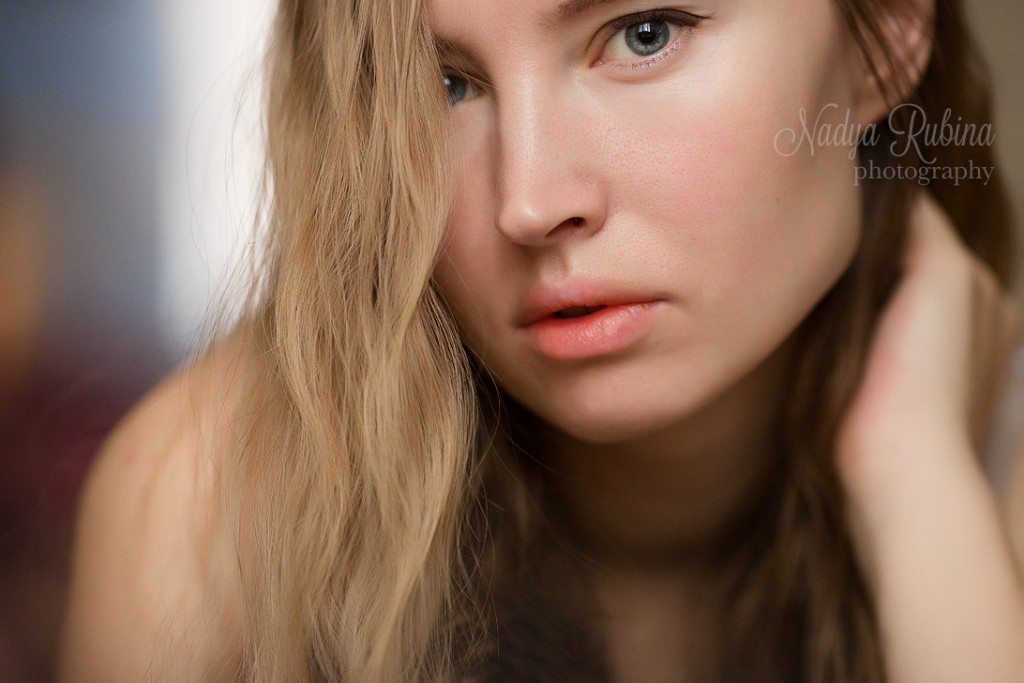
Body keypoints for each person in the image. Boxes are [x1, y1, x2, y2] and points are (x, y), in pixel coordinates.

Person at [58, 0, 1024, 681]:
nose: (529, 199)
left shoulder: (991, 474)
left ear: (886, 35)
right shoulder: (214, 501)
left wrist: (914, 483)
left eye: (645, 36)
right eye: (442, 85)